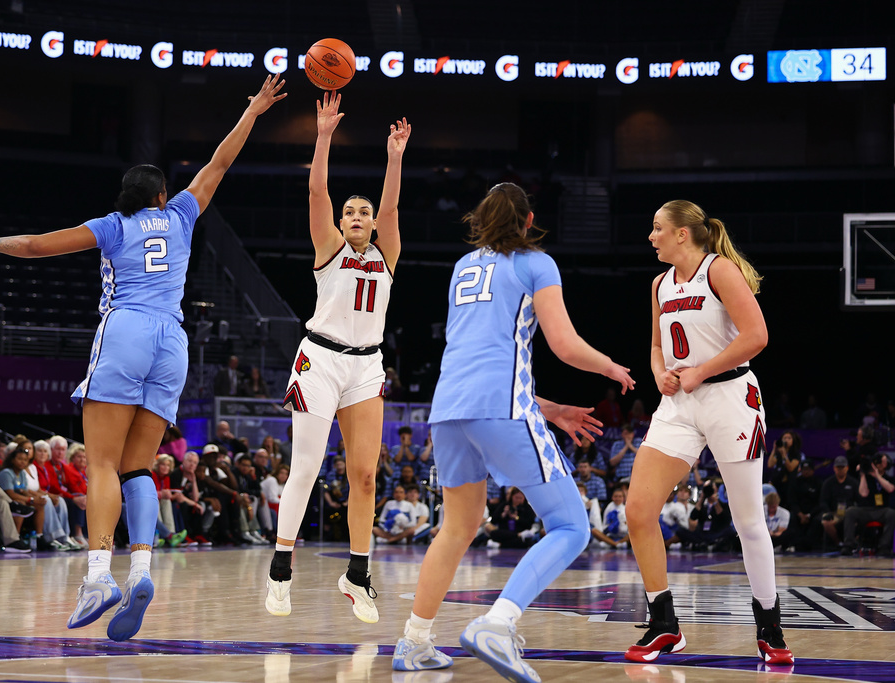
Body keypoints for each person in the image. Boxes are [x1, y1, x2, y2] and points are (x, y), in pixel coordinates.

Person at [0, 74, 286, 641]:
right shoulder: (181, 215)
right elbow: (218, 163)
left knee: (102, 463)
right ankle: (141, 571)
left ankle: (98, 576)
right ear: (161, 194)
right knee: (137, 466)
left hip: (127, 329)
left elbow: (39, 245)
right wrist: (254, 110)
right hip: (174, 343)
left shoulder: (113, 226)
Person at [392, 182, 633, 680]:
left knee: (457, 527)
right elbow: (564, 345)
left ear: (481, 220)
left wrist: (547, 407)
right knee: (570, 526)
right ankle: (497, 624)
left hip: (449, 409)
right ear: (528, 221)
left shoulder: (463, 268)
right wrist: (610, 367)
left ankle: (414, 641)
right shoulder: (535, 263)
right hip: (499, 407)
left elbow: (482, 357)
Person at [622, 200, 792, 665]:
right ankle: (664, 624)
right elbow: (658, 345)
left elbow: (756, 334)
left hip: (731, 398)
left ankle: (770, 626)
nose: (651, 236)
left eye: (658, 228)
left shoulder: (718, 270)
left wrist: (702, 370)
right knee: (637, 510)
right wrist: (660, 372)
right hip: (678, 403)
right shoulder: (659, 283)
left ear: (683, 234)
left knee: (748, 521)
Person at [267, 90, 410, 624]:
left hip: (366, 366)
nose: (355, 215)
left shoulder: (386, 254)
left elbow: (393, 205)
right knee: (305, 467)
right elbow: (316, 192)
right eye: (349, 212)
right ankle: (281, 569)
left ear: (373, 224)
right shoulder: (328, 249)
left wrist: (394, 158)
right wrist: (323, 135)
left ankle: (357, 575)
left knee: (365, 476)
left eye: (363, 211)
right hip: (319, 361)